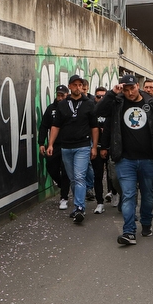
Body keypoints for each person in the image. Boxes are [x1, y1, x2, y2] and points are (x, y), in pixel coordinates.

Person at [96, 75, 153, 244]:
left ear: (138, 86)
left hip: (148, 159)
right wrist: (112, 93)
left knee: (147, 196)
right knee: (128, 195)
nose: (130, 93)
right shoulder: (117, 103)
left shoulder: (151, 104)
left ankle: (146, 223)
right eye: (126, 90)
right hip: (125, 159)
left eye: (132, 88)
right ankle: (129, 231)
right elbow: (97, 112)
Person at [46, 75, 98, 224]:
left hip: (82, 145)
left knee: (80, 176)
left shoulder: (89, 104)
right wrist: (50, 144)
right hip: (66, 147)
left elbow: (94, 127)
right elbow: (55, 126)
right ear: (70, 86)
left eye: (80, 85)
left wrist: (94, 146)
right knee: (73, 178)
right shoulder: (62, 105)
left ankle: (80, 207)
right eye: (74, 85)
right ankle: (77, 207)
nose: (77, 87)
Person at [38, 85, 71, 209]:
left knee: (65, 170)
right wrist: (41, 143)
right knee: (50, 166)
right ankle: (64, 185)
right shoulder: (51, 108)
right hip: (54, 144)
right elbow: (44, 126)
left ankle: (64, 198)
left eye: (63, 95)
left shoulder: (71, 107)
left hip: (68, 144)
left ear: (67, 95)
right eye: (59, 95)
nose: (61, 98)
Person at [90, 86, 110, 214]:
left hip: (110, 147)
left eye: (104, 96)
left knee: (113, 175)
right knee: (97, 175)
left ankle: (113, 193)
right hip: (96, 146)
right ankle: (100, 202)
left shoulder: (112, 110)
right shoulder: (92, 111)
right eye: (98, 96)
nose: (101, 99)